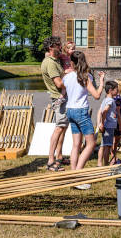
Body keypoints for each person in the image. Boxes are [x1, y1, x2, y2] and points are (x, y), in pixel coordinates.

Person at [63, 51, 104, 189]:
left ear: (72, 63)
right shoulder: (85, 77)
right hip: (81, 111)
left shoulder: (67, 77)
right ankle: (78, 177)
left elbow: (64, 91)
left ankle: (73, 174)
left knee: (76, 145)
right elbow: (97, 96)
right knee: (91, 144)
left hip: (70, 110)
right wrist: (102, 82)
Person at [41, 36, 68, 171]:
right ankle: (51, 160)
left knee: (63, 128)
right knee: (59, 128)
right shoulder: (50, 63)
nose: (60, 46)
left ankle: (59, 156)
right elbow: (59, 83)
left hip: (61, 97)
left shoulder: (54, 60)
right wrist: (71, 78)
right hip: (59, 98)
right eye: (58, 45)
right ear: (51, 47)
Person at [98, 80, 119, 167]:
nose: (117, 91)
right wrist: (102, 123)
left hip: (106, 125)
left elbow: (101, 111)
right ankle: (106, 164)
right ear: (111, 90)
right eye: (116, 89)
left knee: (103, 145)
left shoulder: (105, 99)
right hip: (108, 126)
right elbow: (105, 111)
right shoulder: (110, 100)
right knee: (107, 146)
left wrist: (100, 123)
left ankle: (99, 163)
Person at [109, 79, 121, 165]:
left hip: (114, 120)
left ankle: (113, 157)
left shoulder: (113, 97)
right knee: (115, 141)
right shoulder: (117, 98)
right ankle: (113, 158)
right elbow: (118, 112)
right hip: (118, 121)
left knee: (114, 141)